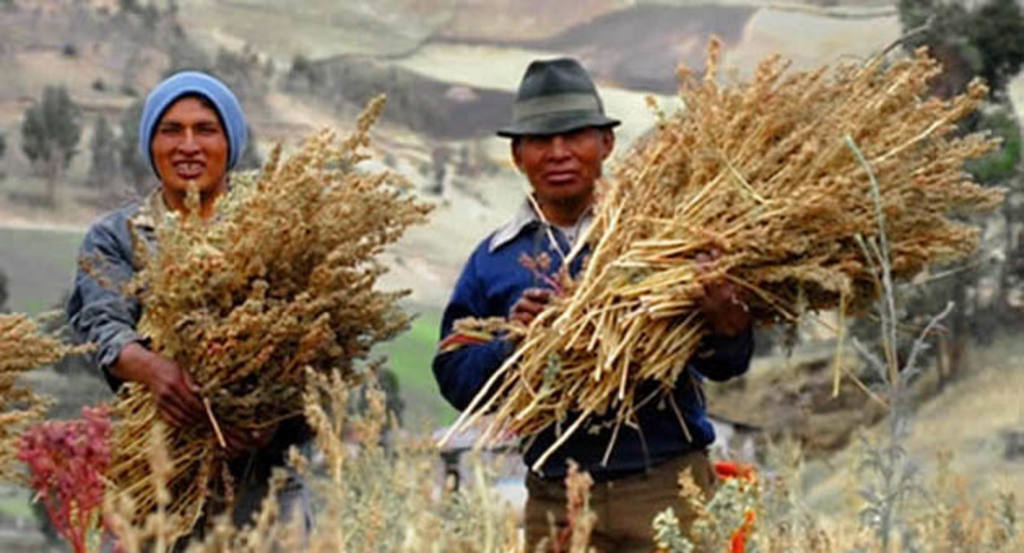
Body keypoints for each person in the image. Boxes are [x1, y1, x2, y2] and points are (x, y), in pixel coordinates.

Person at [432, 58, 754, 552]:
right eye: (540, 140)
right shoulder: (493, 262)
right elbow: (454, 376)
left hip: (668, 485)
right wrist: (514, 346)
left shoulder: (662, 241)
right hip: (559, 498)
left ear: (606, 143)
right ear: (518, 155)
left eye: (575, 135)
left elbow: (727, 364)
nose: (558, 153)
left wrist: (727, 325)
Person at [67, 71, 311, 549]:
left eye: (206, 129)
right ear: (150, 144)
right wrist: (156, 370)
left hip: (262, 492)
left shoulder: (280, 231)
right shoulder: (117, 236)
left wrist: (260, 420)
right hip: (153, 480)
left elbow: (316, 348)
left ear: (230, 142)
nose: (188, 145)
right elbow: (102, 325)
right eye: (170, 130)